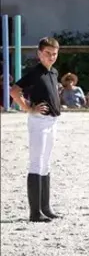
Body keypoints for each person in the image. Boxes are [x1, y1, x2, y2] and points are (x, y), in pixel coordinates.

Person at [9, 37, 62, 222]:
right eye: (47, 53)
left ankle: (45, 207)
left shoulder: (53, 72)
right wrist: (29, 108)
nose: (51, 57)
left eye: (54, 54)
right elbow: (14, 91)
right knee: (36, 163)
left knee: (46, 163)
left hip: (52, 121)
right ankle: (34, 212)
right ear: (39, 53)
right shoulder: (35, 72)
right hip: (39, 121)